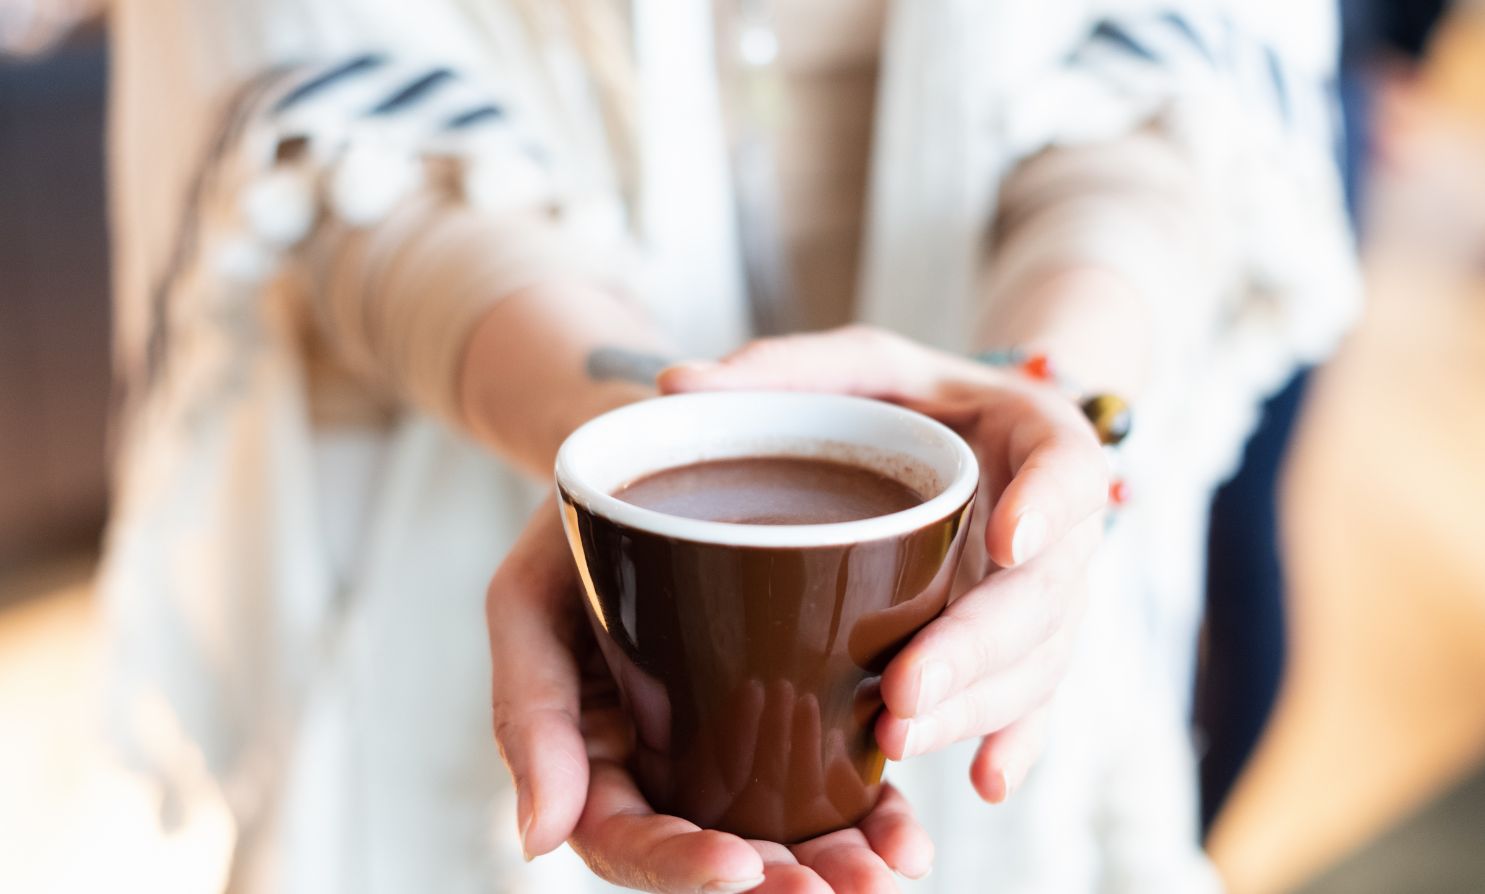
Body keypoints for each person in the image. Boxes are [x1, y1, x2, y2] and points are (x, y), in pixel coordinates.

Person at [97, 1, 1358, 891]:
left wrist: (1054, 400)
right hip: (462, 477)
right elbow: (321, 93)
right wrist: (607, 439)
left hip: (1023, 483)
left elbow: (1184, 81)